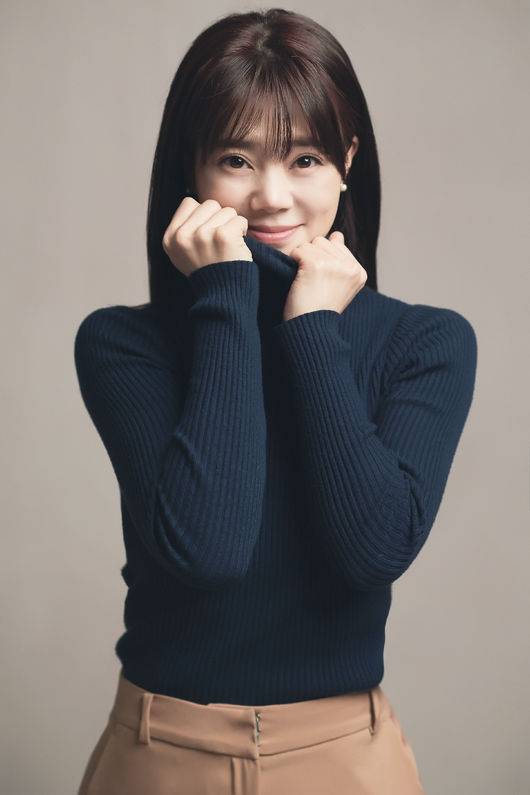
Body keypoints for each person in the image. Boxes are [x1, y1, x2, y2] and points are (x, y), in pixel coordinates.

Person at [74, 8, 477, 794]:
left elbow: (372, 551)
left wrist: (313, 330)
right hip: (161, 755)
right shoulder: (124, 344)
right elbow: (209, 549)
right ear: (191, 167)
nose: (271, 196)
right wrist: (227, 295)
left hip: (345, 760)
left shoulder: (426, 343)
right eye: (235, 158)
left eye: (305, 158)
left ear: (347, 160)